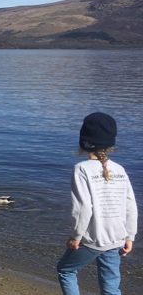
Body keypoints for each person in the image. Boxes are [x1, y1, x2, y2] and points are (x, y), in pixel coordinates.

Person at [57, 112, 138, 295]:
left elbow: (83, 208)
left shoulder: (82, 169)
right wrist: (130, 236)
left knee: (66, 270)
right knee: (110, 286)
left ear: (84, 142)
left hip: (92, 239)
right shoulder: (119, 169)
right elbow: (130, 206)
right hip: (116, 238)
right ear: (111, 144)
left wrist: (76, 236)